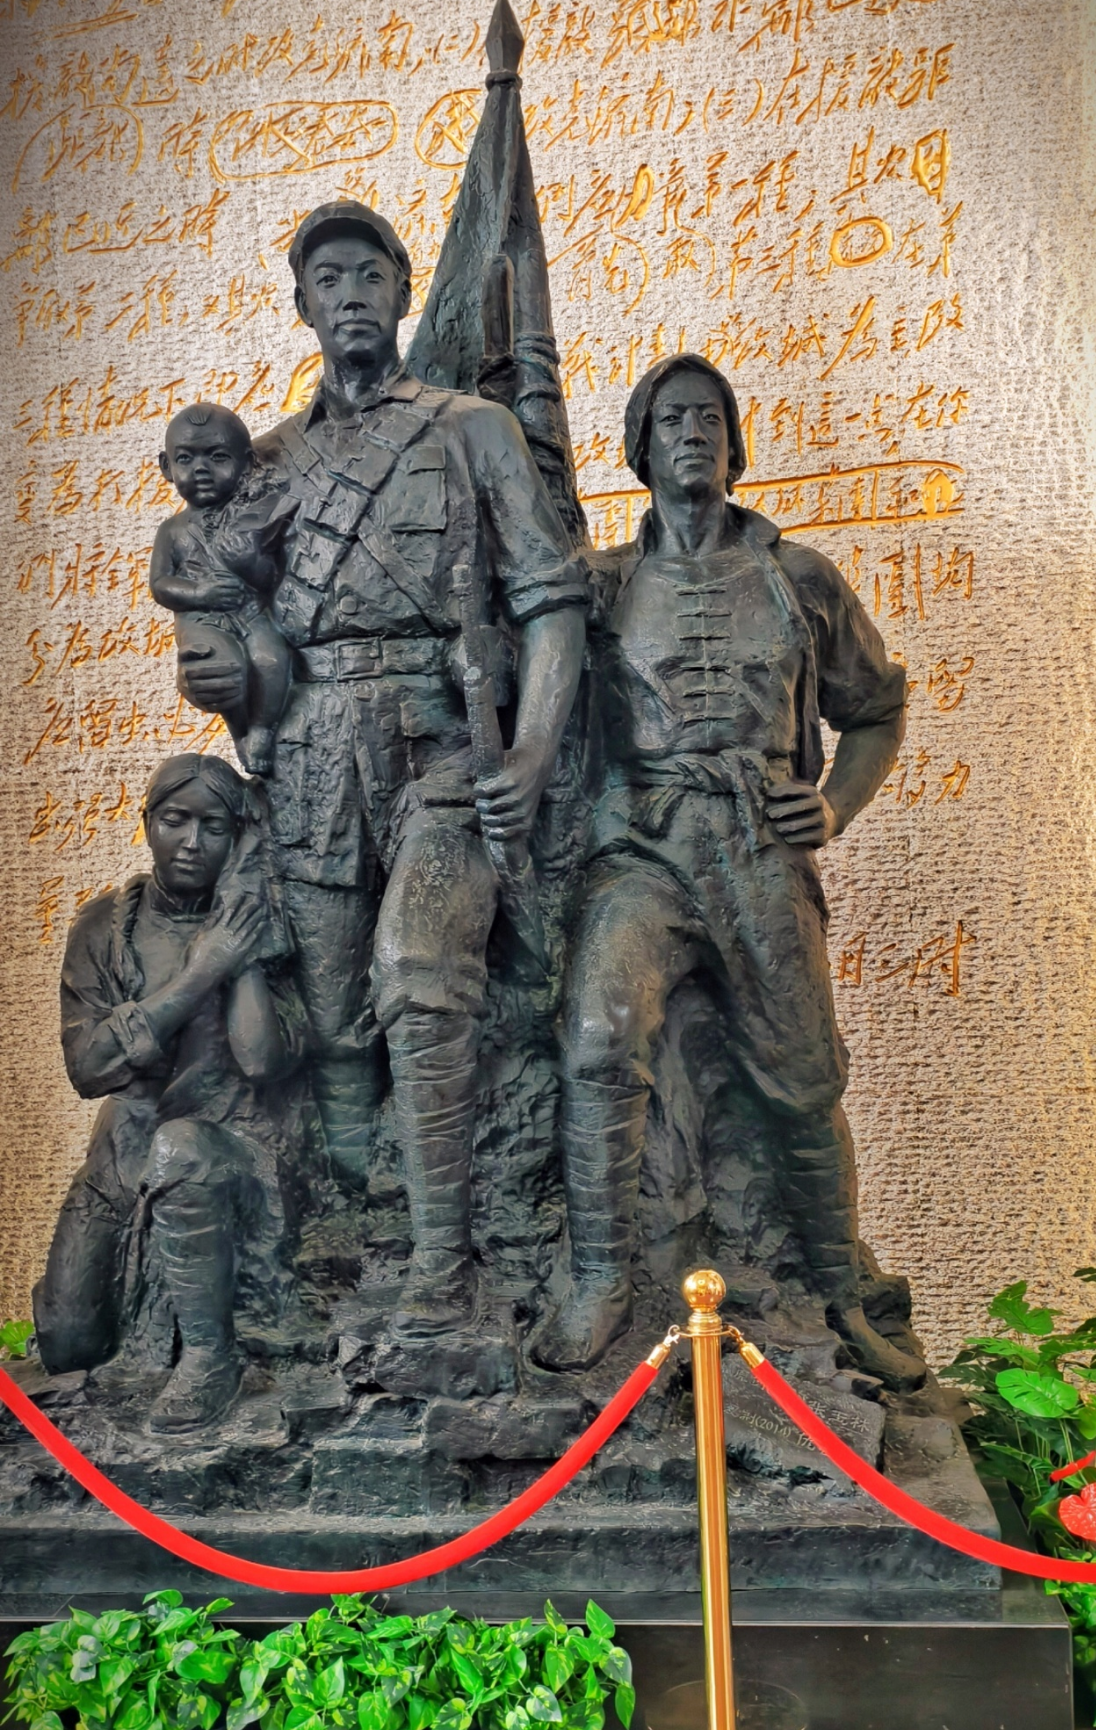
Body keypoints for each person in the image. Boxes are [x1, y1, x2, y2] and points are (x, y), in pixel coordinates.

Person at [176, 201, 587, 1329]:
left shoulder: (473, 430)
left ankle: (443, 1265)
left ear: (404, 294)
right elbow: (227, 618)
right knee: (335, 1025)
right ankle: (358, 1247)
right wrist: (219, 677)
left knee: (418, 973)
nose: (350, 294)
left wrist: (533, 753)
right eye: (328, 279)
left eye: (370, 274)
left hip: (443, 743)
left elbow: (552, 603)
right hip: (311, 758)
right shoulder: (260, 465)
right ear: (302, 306)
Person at [532, 354, 926, 1390]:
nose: (692, 434)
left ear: (735, 443)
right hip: (642, 849)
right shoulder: (602, 586)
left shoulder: (800, 580)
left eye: (710, 417)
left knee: (804, 1075)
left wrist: (832, 804)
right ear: (641, 446)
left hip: (757, 849)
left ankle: (840, 1293)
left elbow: (877, 708)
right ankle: (599, 1278)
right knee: (598, 1031)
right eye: (671, 420)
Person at [32, 755, 309, 1433]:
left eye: (214, 827)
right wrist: (201, 972)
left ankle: (210, 1359)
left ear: (236, 838)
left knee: (180, 1149)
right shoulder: (106, 928)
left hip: (233, 1142)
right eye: (175, 820)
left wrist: (238, 947)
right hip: (123, 1154)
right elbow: (89, 1067)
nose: (191, 842)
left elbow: (261, 1061)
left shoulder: (263, 925)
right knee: (68, 1343)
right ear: (148, 823)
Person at [151, 404, 297, 776]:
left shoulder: (251, 519)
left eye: (217, 457)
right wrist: (200, 594)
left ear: (247, 464)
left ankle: (262, 729)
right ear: (166, 467)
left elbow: (272, 578)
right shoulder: (173, 531)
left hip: (250, 612)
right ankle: (240, 731)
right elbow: (160, 585)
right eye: (185, 458)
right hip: (203, 621)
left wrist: (249, 563)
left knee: (271, 660)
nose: (200, 469)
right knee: (222, 668)